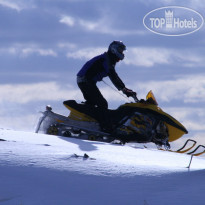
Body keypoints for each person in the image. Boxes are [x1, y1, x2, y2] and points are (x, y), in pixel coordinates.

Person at [77, 40, 136, 110]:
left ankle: (85, 117)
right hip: (85, 80)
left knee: (93, 102)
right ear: (114, 49)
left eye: (122, 51)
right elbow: (113, 75)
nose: (122, 52)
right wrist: (123, 89)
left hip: (86, 81)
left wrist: (124, 88)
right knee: (102, 104)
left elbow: (114, 75)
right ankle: (88, 119)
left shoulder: (109, 59)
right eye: (120, 50)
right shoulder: (107, 59)